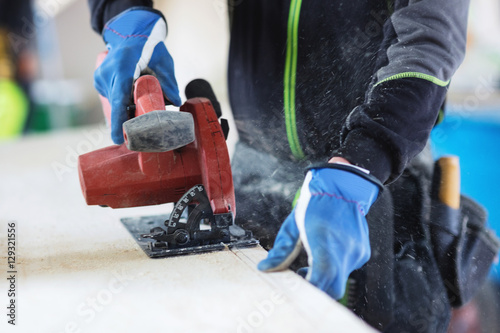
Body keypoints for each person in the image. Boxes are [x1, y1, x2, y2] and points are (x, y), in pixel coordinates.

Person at [87, 1, 499, 332]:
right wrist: (124, 14)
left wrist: (362, 161)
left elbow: (427, 45)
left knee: (390, 313)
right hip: (254, 174)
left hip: (371, 182)